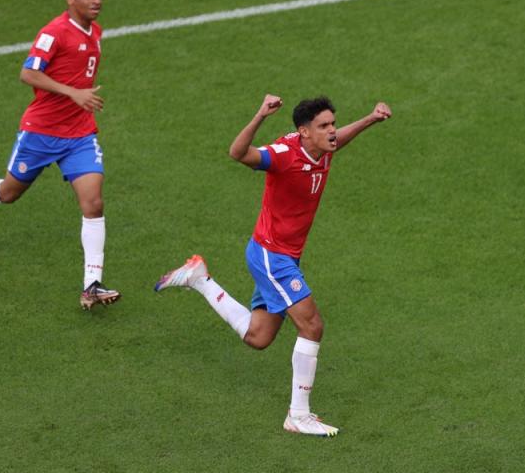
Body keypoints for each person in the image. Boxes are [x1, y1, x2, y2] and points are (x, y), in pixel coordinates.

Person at [154, 94, 391, 437]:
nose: (333, 132)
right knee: (312, 326)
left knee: (259, 336)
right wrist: (260, 115)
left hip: (285, 256)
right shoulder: (283, 155)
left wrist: (370, 118)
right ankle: (298, 415)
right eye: (324, 126)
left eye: (333, 124)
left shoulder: (323, 147)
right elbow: (237, 153)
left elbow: (340, 140)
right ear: (304, 132)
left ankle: (199, 279)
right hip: (271, 256)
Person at [0, 0, 119, 311]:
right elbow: (28, 73)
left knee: (93, 203)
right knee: (9, 193)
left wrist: (78, 100)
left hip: (80, 134)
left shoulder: (96, 31)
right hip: (41, 132)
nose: (96, 1)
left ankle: (91, 285)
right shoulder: (53, 33)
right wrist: (72, 93)